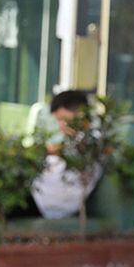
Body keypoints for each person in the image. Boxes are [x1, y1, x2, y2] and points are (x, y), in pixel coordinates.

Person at [27, 90, 103, 220]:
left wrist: (53, 151)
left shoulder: (92, 139)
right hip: (41, 195)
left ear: (80, 113)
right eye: (58, 120)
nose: (61, 125)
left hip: (54, 202)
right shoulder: (72, 139)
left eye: (63, 119)